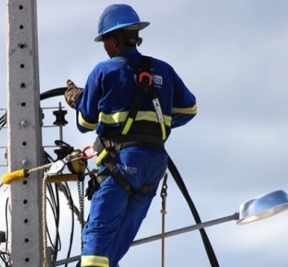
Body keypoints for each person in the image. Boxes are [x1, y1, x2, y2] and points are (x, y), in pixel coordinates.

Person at [64, 4, 197, 267]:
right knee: (115, 247)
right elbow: (189, 109)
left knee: (97, 241)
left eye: (105, 41)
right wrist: (154, 125)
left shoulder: (105, 71)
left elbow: (84, 122)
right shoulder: (164, 70)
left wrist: (78, 98)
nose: (105, 47)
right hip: (153, 165)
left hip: (120, 163)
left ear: (113, 40)